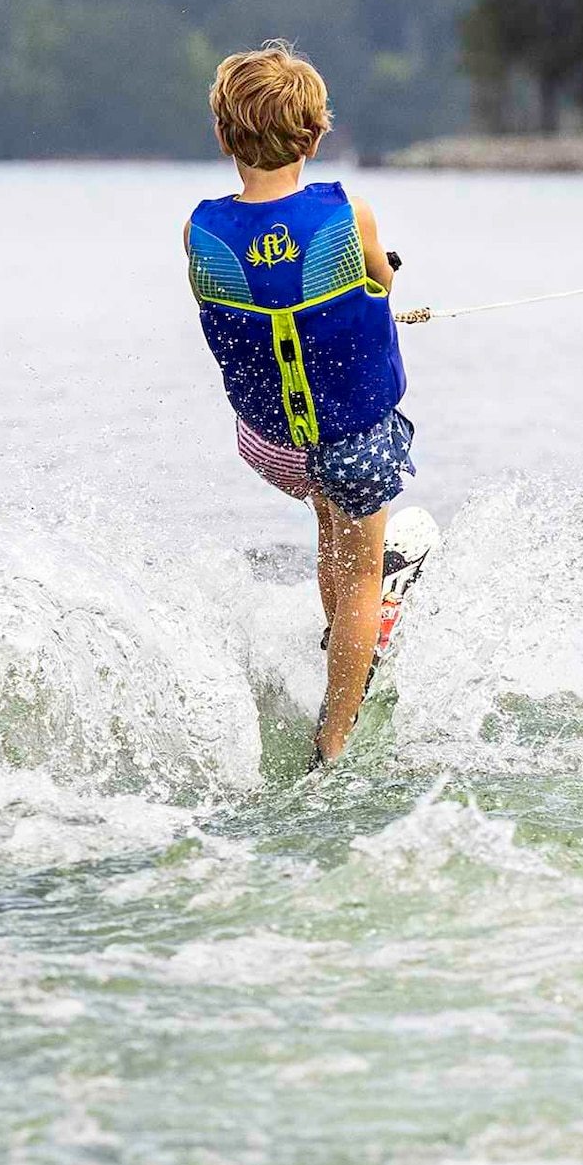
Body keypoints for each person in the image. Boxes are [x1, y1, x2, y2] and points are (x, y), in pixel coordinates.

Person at [186, 42, 414, 768]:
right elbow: (381, 280)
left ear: (224, 137)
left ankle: (338, 637)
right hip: (351, 442)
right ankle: (337, 733)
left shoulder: (199, 230)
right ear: (317, 135)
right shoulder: (351, 214)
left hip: (269, 445)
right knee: (364, 575)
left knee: (328, 526)